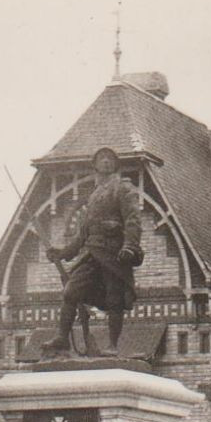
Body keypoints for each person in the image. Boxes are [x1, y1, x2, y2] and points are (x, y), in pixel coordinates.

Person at [42, 146, 144, 356]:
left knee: (115, 299)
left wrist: (129, 246)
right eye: (101, 158)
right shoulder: (94, 196)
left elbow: (133, 220)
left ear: (115, 165)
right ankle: (62, 337)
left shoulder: (123, 189)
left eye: (109, 158)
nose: (105, 161)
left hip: (114, 253)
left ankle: (112, 346)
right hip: (92, 253)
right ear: (95, 165)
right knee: (71, 292)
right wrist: (62, 253)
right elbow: (83, 235)